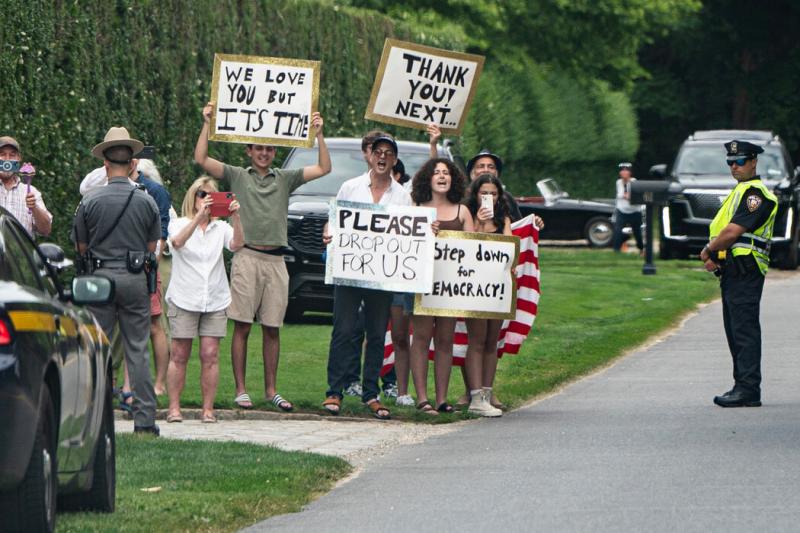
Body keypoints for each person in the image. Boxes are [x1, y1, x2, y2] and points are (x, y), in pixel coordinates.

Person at [194, 101, 330, 411]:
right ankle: (241, 389)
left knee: (272, 327)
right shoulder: (237, 175)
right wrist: (207, 123)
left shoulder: (285, 177)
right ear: (249, 151)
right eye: (259, 148)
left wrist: (319, 135)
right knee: (242, 325)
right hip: (247, 256)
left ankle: (271, 390)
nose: (264, 153)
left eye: (269, 149)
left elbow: (324, 169)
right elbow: (201, 159)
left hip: (276, 261)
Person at [73, 126, 161, 435]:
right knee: (138, 348)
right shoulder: (146, 201)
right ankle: (145, 420)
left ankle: (93, 419)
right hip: (135, 277)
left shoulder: (90, 201)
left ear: (106, 163)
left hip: (99, 279)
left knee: (97, 348)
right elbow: (152, 249)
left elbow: (81, 248)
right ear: (132, 162)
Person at [321, 135, 411, 419]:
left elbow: (409, 233)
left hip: (382, 275)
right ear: (370, 156)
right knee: (344, 329)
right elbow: (335, 218)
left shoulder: (402, 196)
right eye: (378, 151)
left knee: (375, 333)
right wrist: (328, 231)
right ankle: (334, 391)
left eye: (388, 153)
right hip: (349, 271)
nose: (383, 157)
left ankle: (371, 394)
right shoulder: (351, 186)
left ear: (394, 160)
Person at [701, 140, 777, 408]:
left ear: (754, 161)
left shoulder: (756, 195)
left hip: (746, 268)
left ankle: (748, 388)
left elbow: (733, 233)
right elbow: (724, 232)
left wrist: (708, 250)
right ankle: (741, 385)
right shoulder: (740, 192)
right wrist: (716, 255)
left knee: (743, 329)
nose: (734, 166)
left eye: (741, 161)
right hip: (733, 268)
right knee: (735, 329)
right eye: (730, 162)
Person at [165, 176, 244, 423]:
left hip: (215, 298)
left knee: (210, 354)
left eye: (212, 195)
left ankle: (208, 410)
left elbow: (238, 244)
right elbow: (176, 243)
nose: (206, 199)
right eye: (202, 194)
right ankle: (174, 409)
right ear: (193, 197)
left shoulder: (220, 228)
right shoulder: (178, 223)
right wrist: (199, 218)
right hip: (184, 296)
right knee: (179, 354)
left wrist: (236, 217)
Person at [409, 158, 474, 415]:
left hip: (451, 288)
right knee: (422, 338)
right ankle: (422, 398)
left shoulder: (462, 212)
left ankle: (442, 399)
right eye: (436, 172)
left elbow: (473, 250)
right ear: (428, 178)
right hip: (423, 284)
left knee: (445, 341)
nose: (442, 176)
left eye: (446, 172)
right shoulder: (416, 207)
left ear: (453, 179)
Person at [463, 173, 513, 417]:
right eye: (485, 193)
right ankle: (475, 396)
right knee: (477, 339)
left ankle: (487, 391)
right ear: (476, 194)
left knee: (492, 341)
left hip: (497, 288)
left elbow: (510, 251)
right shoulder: (469, 215)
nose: (489, 198)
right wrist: (481, 223)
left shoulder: (504, 219)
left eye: (493, 193)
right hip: (474, 287)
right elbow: (467, 247)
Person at [0, 136, 52, 237]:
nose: (7, 160)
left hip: (18, 252)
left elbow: (46, 230)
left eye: (12, 155)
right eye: (2, 155)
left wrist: (34, 208)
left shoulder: (30, 192)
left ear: (18, 158)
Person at [612, 162, 644, 254]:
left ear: (630, 173)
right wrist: (624, 196)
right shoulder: (618, 183)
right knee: (618, 230)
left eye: (626, 171)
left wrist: (627, 196)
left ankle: (641, 249)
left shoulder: (634, 182)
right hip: (622, 210)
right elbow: (620, 195)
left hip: (634, 211)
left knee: (637, 232)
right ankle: (616, 250)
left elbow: (635, 196)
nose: (624, 173)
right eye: (622, 171)